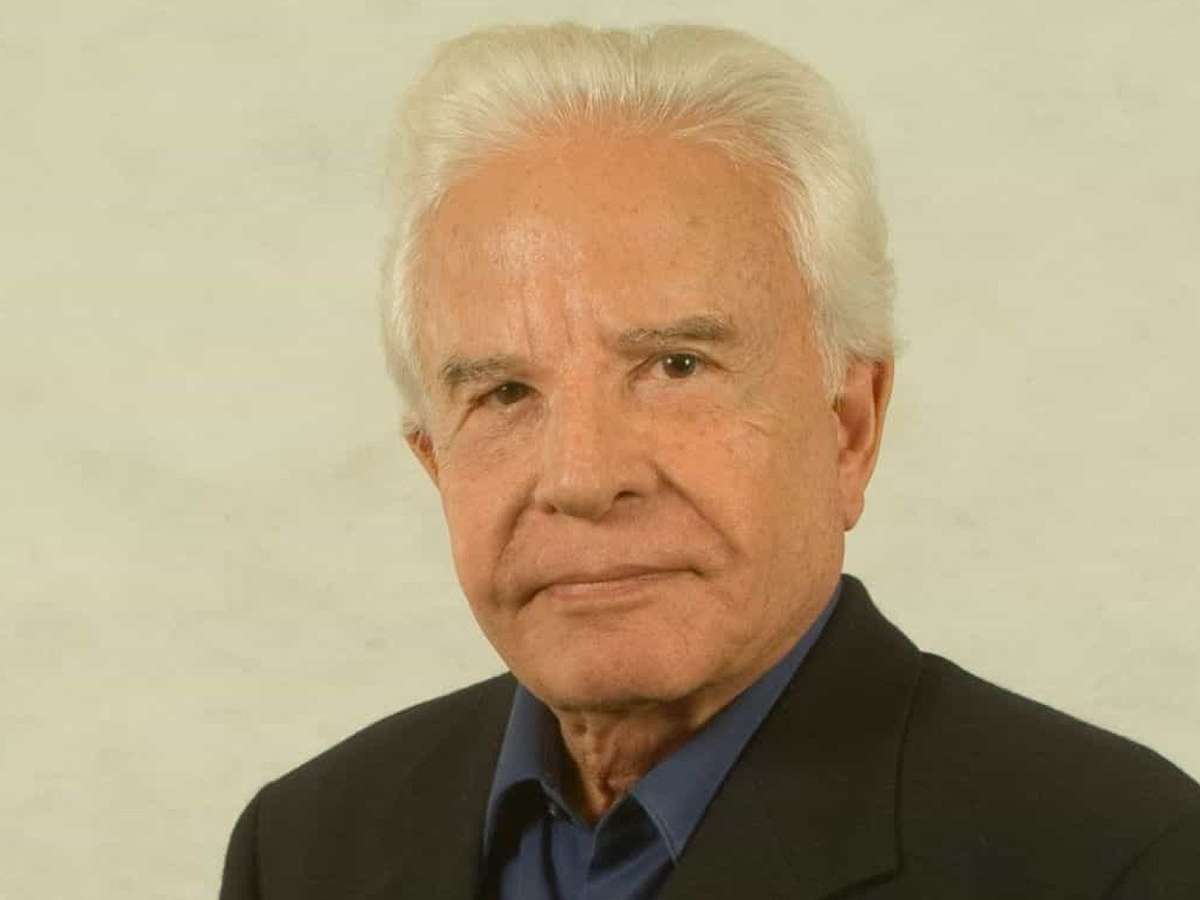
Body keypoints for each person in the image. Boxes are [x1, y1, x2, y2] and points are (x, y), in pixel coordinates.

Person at [220, 22, 1199, 899]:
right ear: (436, 462)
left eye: (676, 366)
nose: (582, 478)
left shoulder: (1120, 862)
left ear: (850, 426)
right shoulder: (304, 847)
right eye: (506, 393)